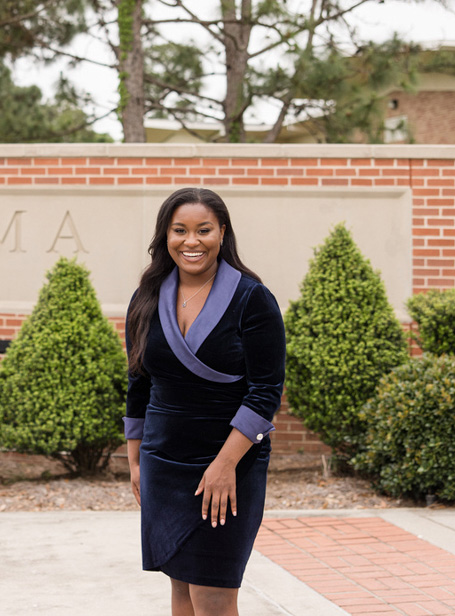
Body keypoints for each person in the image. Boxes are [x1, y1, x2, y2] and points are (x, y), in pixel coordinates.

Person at [124, 187, 285, 616]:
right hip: (163, 461)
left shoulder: (253, 298)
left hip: (230, 463)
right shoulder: (146, 297)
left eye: (203, 230)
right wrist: (135, 460)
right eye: (180, 230)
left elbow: (266, 391)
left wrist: (225, 464)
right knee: (180, 589)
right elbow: (138, 381)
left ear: (222, 233)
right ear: (165, 235)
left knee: (213, 596)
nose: (191, 241)